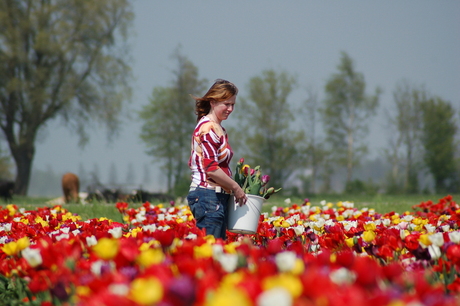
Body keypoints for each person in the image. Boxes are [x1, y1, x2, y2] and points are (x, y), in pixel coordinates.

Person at [187, 79, 247, 240]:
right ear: (213, 102)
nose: (230, 109)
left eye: (233, 104)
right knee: (211, 249)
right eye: (226, 104)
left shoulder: (218, 128)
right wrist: (236, 187)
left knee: (217, 248)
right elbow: (211, 168)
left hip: (216, 196)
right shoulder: (207, 128)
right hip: (207, 194)